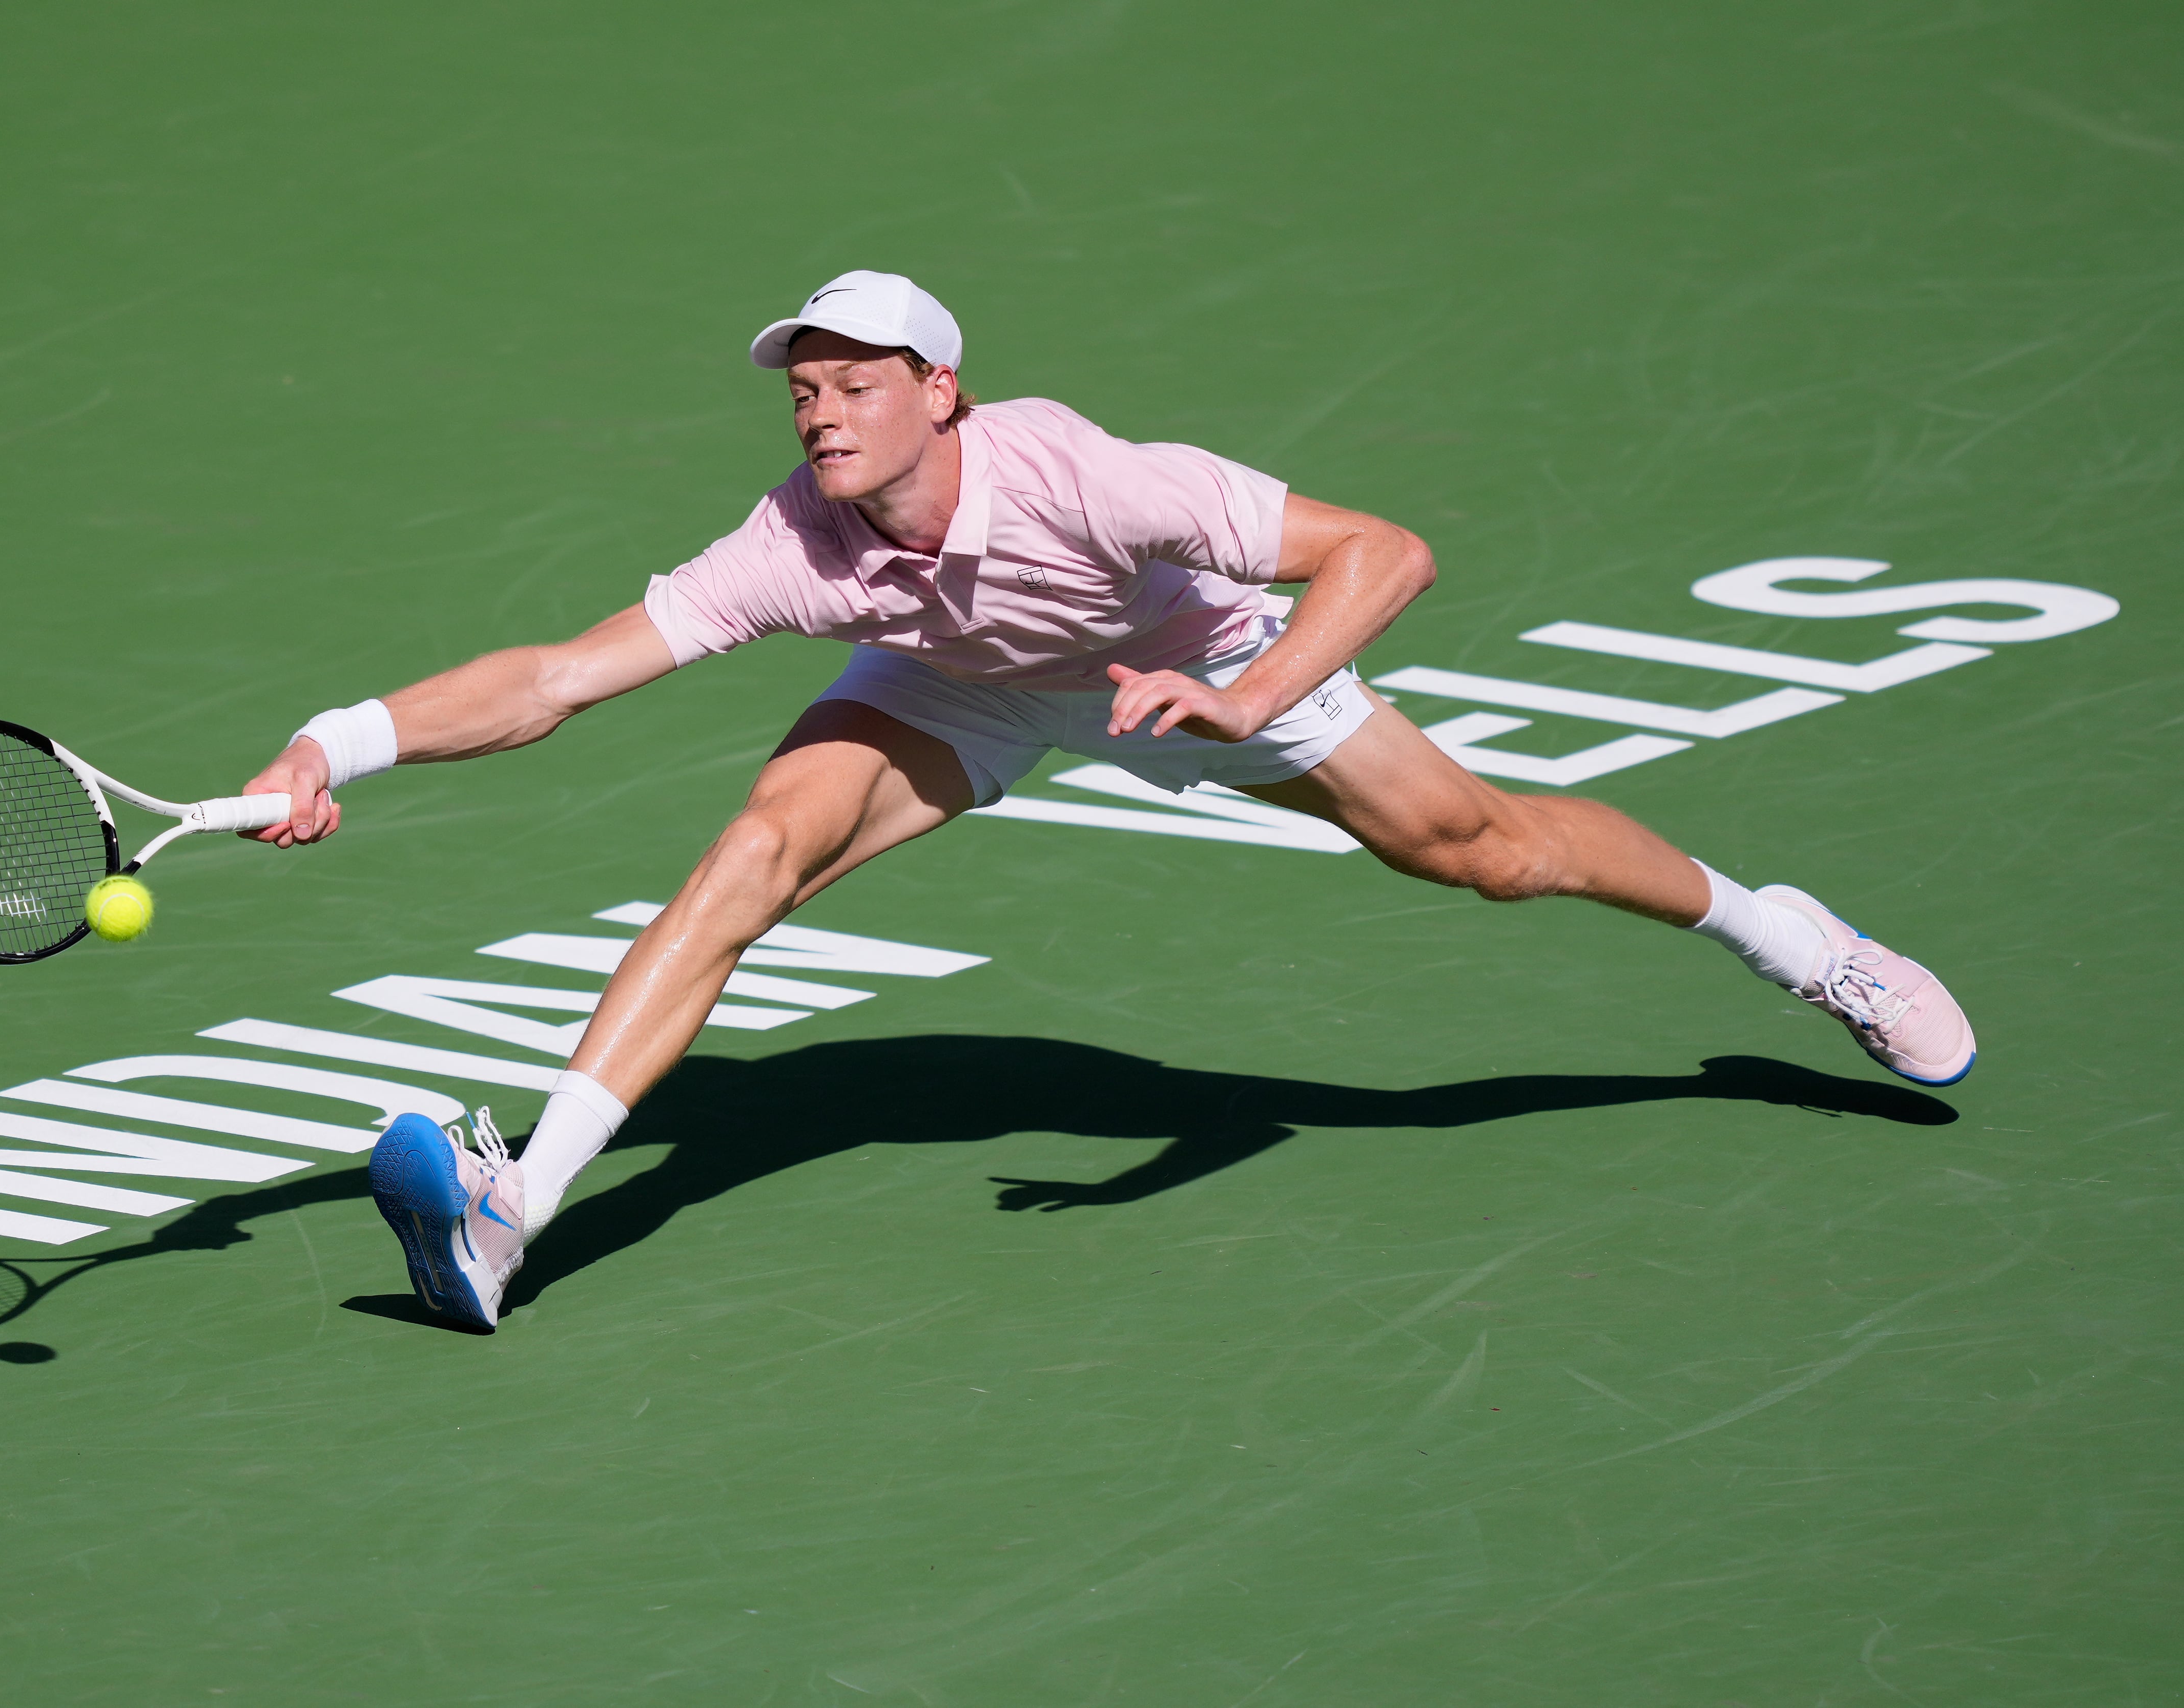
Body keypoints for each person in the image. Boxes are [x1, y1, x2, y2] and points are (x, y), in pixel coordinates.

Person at [241, 270, 1976, 1330]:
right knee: (752, 854)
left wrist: (1248, 696)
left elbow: (1388, 550)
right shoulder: (799, 537)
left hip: (1191, 669)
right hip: (954, 687)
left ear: (942, 395)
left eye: (858, 384)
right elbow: (560, 674)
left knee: (1491, 853)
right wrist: (343, 737)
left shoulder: (1090, 477)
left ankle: (1795, 940)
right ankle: (515, 1207)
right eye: (804, 386)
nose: (822, 410)